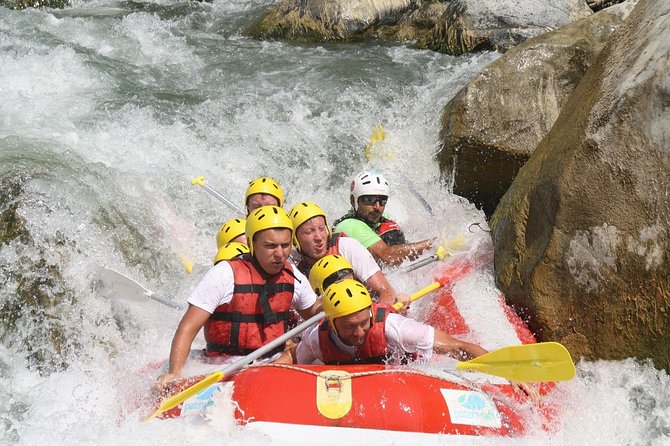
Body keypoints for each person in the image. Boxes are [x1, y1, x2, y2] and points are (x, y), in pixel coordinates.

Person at [157, 205, 320, 383]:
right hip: (225, 366)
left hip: (274, 364)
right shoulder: (224, 274)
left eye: (285, 245)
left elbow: (314, 313)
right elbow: (187, 328)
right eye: (270, 246)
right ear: (251, 244)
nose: (280, 254)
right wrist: (175, 372)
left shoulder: (292, 275)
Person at [288, 201, 410, 309]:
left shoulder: (347, 247)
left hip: (365, 314)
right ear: (295, 240)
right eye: (309, 232)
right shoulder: (293, 266)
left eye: (321, 229)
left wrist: (373, 322)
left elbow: (386, 292)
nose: (319, 237)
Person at [333, 171, 433, 266]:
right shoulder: (349, 225)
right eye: (369, 200)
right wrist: (432, 243)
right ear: (353, 200)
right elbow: (386, 255)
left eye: (382, 201)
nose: (377, 207)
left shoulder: (380, 219)